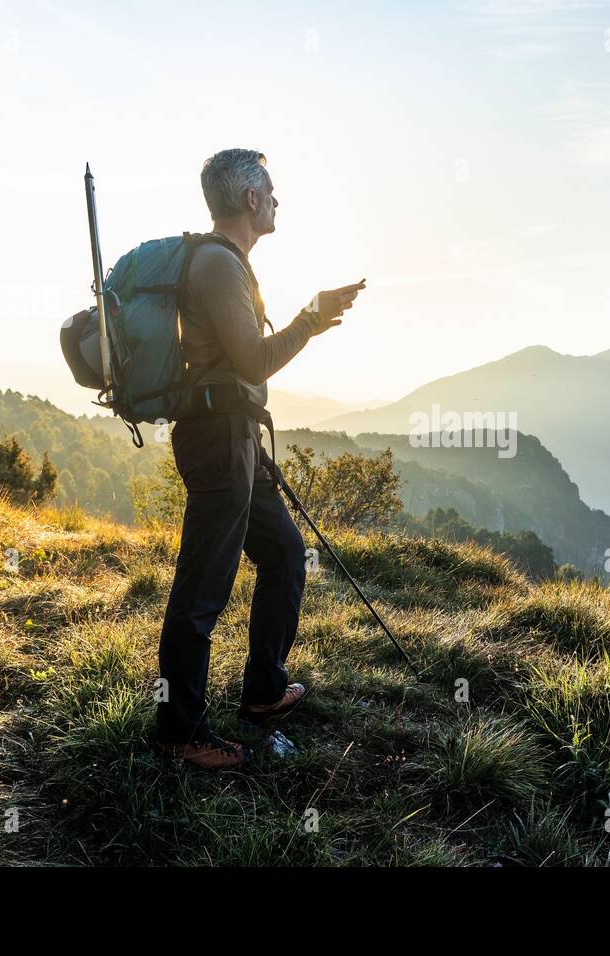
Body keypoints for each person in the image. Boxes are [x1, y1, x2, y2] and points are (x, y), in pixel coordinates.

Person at [155, 147, 365, 769]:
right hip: (217, 440)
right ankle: (178, 732)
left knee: (282, 552)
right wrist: (310, 318)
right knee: (202, 589)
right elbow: (251, 360)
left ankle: (265, 691)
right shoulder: (219, 266)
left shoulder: (226, 263)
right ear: (249, 199)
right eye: (271, 189)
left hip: (234, 434)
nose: (277, 200)